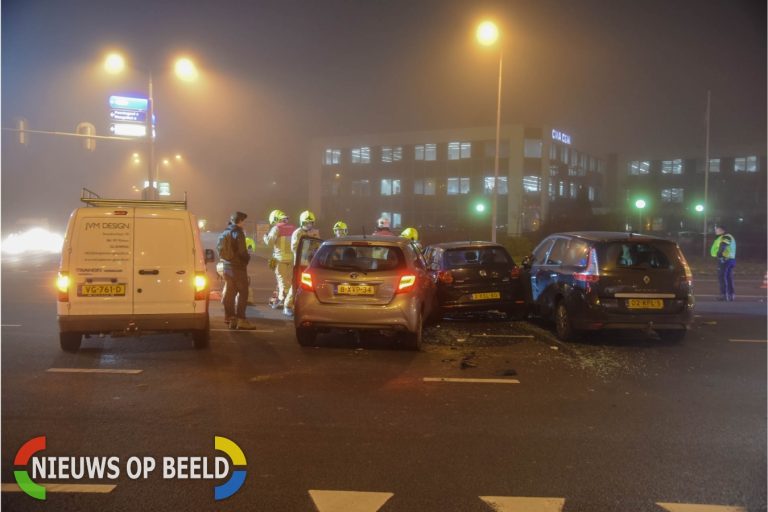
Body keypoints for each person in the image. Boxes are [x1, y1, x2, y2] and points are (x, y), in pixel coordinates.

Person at [218, 211, 257, 329]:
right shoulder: (238, 232)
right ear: (240, 221)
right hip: (238, 267)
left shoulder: (225, 232)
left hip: (226, 267)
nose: (244, 223)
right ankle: (241, 320)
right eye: (243, 221)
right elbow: (242, 251)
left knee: (230, 293)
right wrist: (247, 258)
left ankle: (232, 319)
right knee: (243, 292)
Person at [283, 210, 320, 317]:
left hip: (310, 264)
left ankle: (305, 306)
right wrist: (306, 252)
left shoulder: (314, 232)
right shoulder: (298, 233)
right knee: (295, 285)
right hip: (300, 263)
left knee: (308, 286)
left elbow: (317, 245)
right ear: (301, 222)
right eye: (306, 223)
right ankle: (287, 306)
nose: (308, 225)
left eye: (310, 223)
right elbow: (294, 248)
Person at [263, 210, 295, 309]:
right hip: (292, 259)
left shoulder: (276, 228)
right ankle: (290, 299)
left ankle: (283, 300)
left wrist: (265, 236)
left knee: (281, 281)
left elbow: (269, 242)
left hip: (280, 259)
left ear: (276, 219)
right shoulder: (293, 228)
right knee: (289, 281)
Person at [710, 224, 736, 301]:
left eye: (717, 229)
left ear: (722, 230)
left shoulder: (726, 237)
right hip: (729, 260)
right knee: (728, 277)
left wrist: (720, 254)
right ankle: (731, 295)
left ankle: (724, 295)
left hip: (724, 259)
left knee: (722, 277)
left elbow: (723, 246)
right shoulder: (726, 237)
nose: (715, 230)